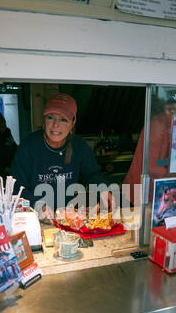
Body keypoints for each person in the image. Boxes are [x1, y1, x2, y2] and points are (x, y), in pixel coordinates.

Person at [11, 93, 114, 222]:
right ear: (44, 120)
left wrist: (103, 189)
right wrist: (38, 205)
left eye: (63, 119)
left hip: (67, 219)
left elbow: (92, 173)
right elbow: (17, 186)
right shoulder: (28, 147)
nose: (55, 125)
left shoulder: (79, 146)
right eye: (50, 118)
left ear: (73, 123)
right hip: (34, 219)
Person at [123, 97, 176, 205]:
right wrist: (174, 175)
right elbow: (151, 166)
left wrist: (172, 163)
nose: (175, 113)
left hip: (154, 189)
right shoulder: (156, 126)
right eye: (170, 109)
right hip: (141, 190)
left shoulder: (170, 125)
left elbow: (161, 161)